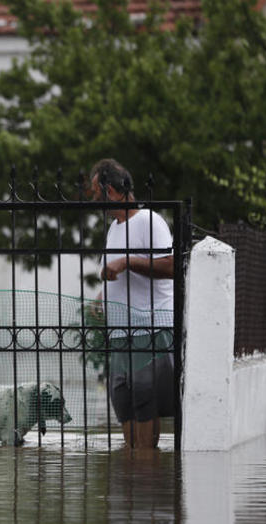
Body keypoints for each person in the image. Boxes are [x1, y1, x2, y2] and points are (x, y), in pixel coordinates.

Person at [89, 158, 175, 449]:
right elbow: (118, 272)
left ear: (111, 191)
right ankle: (133, 467)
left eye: (97, 194)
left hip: (148, 329)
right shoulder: (114, 228)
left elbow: (170, 265)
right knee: (122, 400)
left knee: (144, 398)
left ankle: (147, 467)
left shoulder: (149, 221)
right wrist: (103, 295)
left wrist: (127, 261)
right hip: (120, 332)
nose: (94, 201)